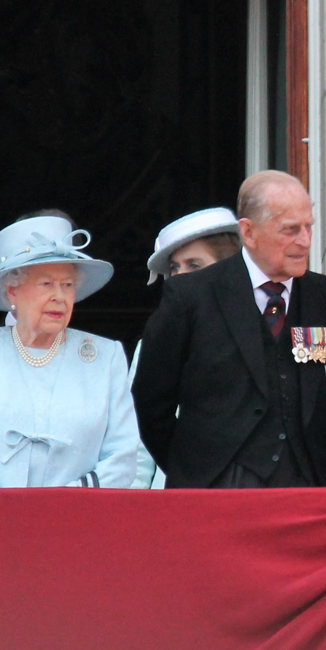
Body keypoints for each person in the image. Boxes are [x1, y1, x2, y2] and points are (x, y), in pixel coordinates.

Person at [132, 170, 326, 488]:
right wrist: (192, 468)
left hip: (307, 485)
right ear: (249, 232)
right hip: (217, 486)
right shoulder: (191, 297)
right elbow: (150, 399)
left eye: (308, 227)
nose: (305, 241)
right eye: (290, 230)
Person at [0, 215, 139, 488]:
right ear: (12, 293)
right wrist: (0, 507)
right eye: (46, 284)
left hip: (78, 518)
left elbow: (123, 454)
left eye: (67, 285)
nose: (59, 296)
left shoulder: (106, 356)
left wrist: (67, 502)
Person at [129, 206, 241, 489]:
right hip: (181, 496)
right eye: (175, 268)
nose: (181, 277)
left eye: (194, 265)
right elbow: (138, 449)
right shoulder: (154, 344)